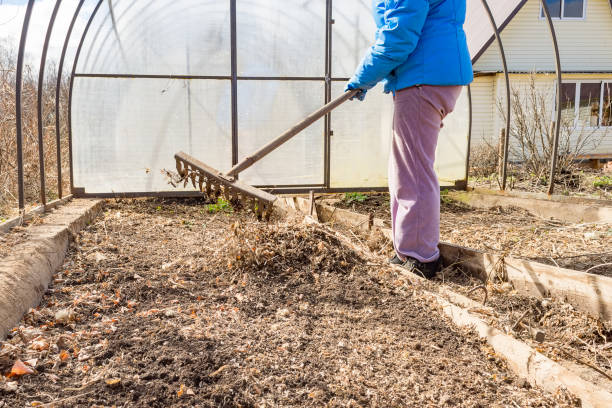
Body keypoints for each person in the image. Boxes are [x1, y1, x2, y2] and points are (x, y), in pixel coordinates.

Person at [345, 0, 473, 279]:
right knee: (410, 167)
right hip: (434, 73)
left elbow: (398, 36)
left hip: (423, 76)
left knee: (412, 171)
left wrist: (362, 78)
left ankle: (420, 256)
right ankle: (409, 249)